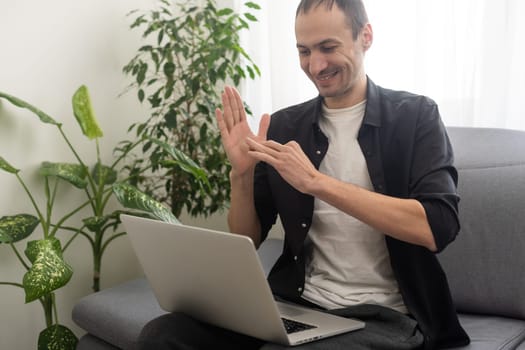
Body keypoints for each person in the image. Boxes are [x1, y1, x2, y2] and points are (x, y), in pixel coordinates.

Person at [137, 0, 470, 349]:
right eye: (304, 51)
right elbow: (248, 238)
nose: (316, 65)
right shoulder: (285, 125)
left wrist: (317, 182)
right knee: (162, 336)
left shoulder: (416, 116)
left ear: (365, 36)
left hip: (382, 315)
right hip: (297, 304)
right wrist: (241, 175)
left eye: (328, 47)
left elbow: (437, 227)